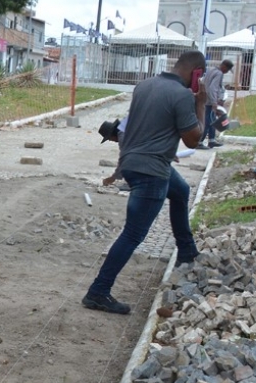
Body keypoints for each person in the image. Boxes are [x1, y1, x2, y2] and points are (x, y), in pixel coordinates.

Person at [82, 50, 208, 315]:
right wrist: (201, 104)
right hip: (151, 172)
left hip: (135, 163)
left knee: (181, 190)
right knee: (133, 234)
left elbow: (135, 127)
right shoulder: (183, 95)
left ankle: (186, 251)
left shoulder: (145, 85)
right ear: (196, 73)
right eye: (201, 76)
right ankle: (98, 291)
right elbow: (194, 140)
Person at [201, 59, 233, 148]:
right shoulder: (219, 74)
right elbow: (213, 88)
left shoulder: (211, 70)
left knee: (212, 120)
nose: (226, 72)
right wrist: (214, 102)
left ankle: (212, 140)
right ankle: (199, 142)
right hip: (211, 101)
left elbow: (203, 82)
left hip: (206, 99)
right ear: (224, 67)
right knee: (208, 121)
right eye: (227, 70)